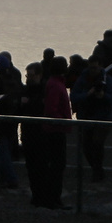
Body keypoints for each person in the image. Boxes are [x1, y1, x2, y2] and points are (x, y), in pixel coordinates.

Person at [28, 60, 73, 209]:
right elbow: (52, 109)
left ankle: (52, 198)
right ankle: (53, 199)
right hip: (55, 130)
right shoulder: (55, 85)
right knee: (57, 166)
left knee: (56, 166)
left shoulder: (55, 83)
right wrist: (63, 121)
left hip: (56, 129)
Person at [71, 61, 112, 183]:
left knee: (97, 143)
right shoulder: (82, 80)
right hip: (86, 117)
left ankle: (97, 171)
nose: (93, 71)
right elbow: (74, 96)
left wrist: (103, 96)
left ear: (100, 67)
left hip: (103, 117)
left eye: (95, 68)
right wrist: (87, 94)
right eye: (91, 68)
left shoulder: (108, 79)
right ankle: (97, 169)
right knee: (86, 146)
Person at [0, 52, 25, 190]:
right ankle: (1, 179)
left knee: (3, 152)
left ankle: (11, 178)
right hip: (12, 120)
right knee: (6, 150)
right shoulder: (14, 80)